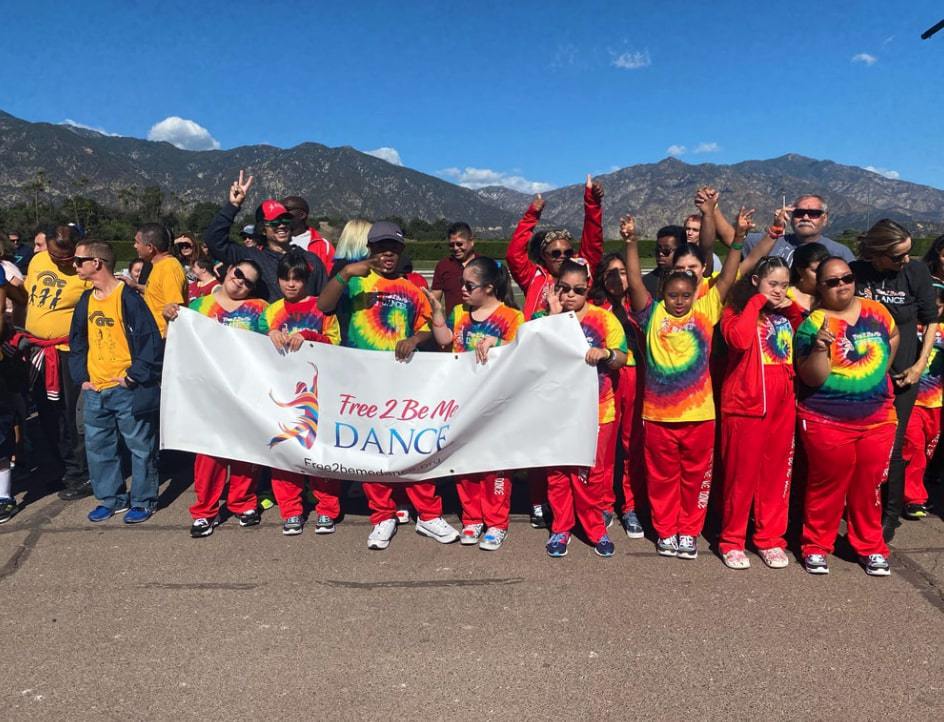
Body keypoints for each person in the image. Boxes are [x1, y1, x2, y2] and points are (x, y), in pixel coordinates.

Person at [318, 220, 459, 550]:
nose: (387, 255)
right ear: (371, 250)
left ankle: (428, 514)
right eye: (381, 248)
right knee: (371, 447)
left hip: (401, 377)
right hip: (362, 379)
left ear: (401, 251)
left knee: (412, 443)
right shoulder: (355, 281)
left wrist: (414, 337)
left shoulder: (413, 287)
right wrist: (346, 274)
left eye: (393, 248)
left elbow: (431, 325)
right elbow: (323, 306)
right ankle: (382, 516)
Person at [623, 206, 746, 560]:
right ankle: (665, 531)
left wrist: (737, 241)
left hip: (700, 416)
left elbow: (727, 279)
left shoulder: (706, 312)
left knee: (694, 479)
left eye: (685, 295)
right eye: (673, 294)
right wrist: (632, 242)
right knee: (661, 480)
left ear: (695, 293)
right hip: (659, 417)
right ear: (663, 292)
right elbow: (634, 280)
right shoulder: (652, 313)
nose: (679, 301)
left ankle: (689, 531)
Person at [505, 175, 604, 527]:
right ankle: (538, 500)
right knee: (538, 436)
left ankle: (585, 505)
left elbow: (593, 242)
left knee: (575, 438)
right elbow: (513, 252)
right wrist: (532, 214)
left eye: (567, 252)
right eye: (555, 253)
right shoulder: (533, 278)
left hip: (577, 370)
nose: (563, 258)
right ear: (544, 256)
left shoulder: (582, 274)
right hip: (540, 369)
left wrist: (592, 204)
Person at [795, 257, 899, 576]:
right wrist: (819, 348)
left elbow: (893, 338)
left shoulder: (876, 312)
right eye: (832, 282)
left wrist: (876, 375)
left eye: (846, 278)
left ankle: (870, 546)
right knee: (827, 485)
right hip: (827, 420)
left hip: (878, 417)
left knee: (868, 487)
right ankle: (815, 545)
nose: (841, 285)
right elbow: (812, 378)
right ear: (820, 287)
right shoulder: (812, 324)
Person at [424, 257, 523, 551]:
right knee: (465, 463)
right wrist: (439, 314)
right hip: (464, 403)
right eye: (461, 284)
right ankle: (472, 516)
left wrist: (499, 345)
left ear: (489, 288)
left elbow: (521, 353)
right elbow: (445, 340)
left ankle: (496, 521)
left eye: (469, 285)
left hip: (495, 406)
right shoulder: (460, 313)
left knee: (494, 465)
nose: (463, 290)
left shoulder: (511, 317)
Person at [163, 260, 269, 538]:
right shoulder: (197, 307)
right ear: (228, 270)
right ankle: (205, 510)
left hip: (247, 392)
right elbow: (180, 341)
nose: (241, 282)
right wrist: (171, 315)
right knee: (209, 455)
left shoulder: (260, 309)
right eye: (238, 274)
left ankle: (243, 501)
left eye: (249, 282)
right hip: (209, 393)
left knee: (247, 452)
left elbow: (271, 340)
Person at [850, 219, 938, 541]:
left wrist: (918, 365)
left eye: (907, 254)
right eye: (898, 256)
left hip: (903, 373)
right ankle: (856, 506)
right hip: (861, 372)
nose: (905, 261)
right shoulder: (855, 272)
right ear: (877, 253)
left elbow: (930, 322)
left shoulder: (915, 273)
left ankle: (888, 514)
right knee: (860, 442)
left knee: (894, 441)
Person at [717, 254, 804, 569]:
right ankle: (732, 540)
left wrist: (791, 306)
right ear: (755, 281)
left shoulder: (783, 314)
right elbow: (738, 341)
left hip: (782, 409)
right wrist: (755, 302)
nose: (779, 291)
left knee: (776, 475)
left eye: (784, 284)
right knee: (741, 479)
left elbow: (804, 331)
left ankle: (769, 538)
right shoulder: (735, 312)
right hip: (746, 407)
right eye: (772, 284)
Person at [67, 241, 162, 524]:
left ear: (96, 263)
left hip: (125, 388)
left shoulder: (128, 298)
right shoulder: (86, 300)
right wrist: (82, 378)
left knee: (140, 446)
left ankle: (144, 500)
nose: (74, 265)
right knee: (98, 447)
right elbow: (77, 341)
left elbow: (150, 342)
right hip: (95, 388)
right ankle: (112, 499)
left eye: (79, 260)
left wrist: (133, 377)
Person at [538, 259, 627, 558]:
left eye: (578, 289)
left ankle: (595, 528)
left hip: (597, 411)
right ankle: (561, 527)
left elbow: (622, 357)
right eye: (564, 289)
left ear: (588, 287)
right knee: (558, 474)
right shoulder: (545, 318)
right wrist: (552, 316)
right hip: (556, 414)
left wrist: (606, 353)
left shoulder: (604, 319)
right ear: (555, 288)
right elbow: (534, 356)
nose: (570, 295)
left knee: (591, 474)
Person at [263, 250, 343, 536]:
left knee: (322, 451)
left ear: (307, 280)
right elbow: (254, 350)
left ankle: (327, 509)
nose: (291, 284)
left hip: (320, 393)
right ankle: (291, 510)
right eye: (285, 278)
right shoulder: (271, 311)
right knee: (285, 451)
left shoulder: (322, 309)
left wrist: (310, 337)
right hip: (283, 396)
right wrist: (268, 335)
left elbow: (336, 344)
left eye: (297, 278)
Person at [18, 225, 91, 499]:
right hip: (37, 349)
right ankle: (63, 469)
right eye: (55, 255)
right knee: (48, 414)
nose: (62, 261)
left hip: (66, 351)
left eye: (66, 256)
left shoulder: (82, 272)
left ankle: (81, 474)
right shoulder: (38, 260)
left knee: (72, 414)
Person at [589, 252, 644, 539]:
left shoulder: (641, 305)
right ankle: (603, 502)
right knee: (606, 447)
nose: (617, 278)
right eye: (610, 272)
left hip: (637, 378)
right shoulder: (597, 308)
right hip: (607, 378)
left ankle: (631, 506)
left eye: (623, 272)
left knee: (631, 444)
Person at [204, 172, 327, 302]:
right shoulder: (251, 258)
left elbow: (325, 300)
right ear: (263, 230)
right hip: (265, 321)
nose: (281, 226)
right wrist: (233, 205)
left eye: (285, 220)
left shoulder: (311, 260)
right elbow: (213, 241)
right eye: (274, 222)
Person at [901, 288, 944, 520]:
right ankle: (913, 498)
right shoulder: (908, 329)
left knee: (927, 451)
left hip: (937, 404)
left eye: (937, 307)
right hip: (913, 401)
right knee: (914, 446)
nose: (931, 311)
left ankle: (903, 486)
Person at [741, 194, 854, 264]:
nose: (805, 217)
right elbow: (732, 240)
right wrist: (740, 229)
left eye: (813, 213)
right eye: (799, 213)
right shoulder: (768, 242)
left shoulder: (840, 253)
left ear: (825, 218)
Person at [134, 223, 187, 339]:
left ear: (150, 248)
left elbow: (174, 309)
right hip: (154, 337)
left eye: (137, 242)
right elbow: (158, 294)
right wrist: (135, 286)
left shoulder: (169, 268)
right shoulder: (159, 266)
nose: (135, 246)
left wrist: (166, 346)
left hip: (162, 339)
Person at [431, 222, 478, 315]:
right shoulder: (443, 266)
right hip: (453, 326)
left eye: (460, 244)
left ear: (471, 242)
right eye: (451, 245)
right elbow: (434, 301)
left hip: (481, 326)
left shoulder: (484, 264)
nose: (456, 248)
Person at [282, 195, 336, 273]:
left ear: (302, 215)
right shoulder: (272, 242)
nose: (281, 214)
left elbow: (331, 278)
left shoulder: (324, 246)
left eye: (286, 210)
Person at [642, 226, 685, 298]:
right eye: (658, 250)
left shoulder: (690, 279)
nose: (660, 254)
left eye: (666, 250)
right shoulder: (646, 283)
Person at [788, 242, 829, 313]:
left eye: (826, 270)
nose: (823, 275)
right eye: (816, 271)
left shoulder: (834, 293)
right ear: (800, 270)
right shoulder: (783, 297)